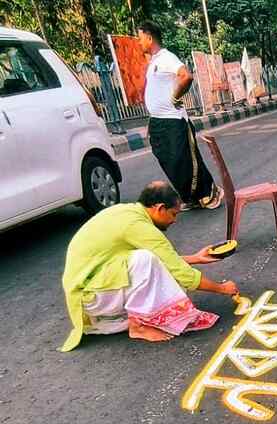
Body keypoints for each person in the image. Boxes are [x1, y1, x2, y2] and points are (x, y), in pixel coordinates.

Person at [60, 181, 240, 351]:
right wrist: (222, 288)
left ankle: (131, 314)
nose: (174, 220)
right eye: (174, 214)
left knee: (151, 264)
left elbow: (166, 261)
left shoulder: (128, 212)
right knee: (145, 260)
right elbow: (183, 274)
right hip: (90, 296)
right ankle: (138, 326)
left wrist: (196, 258)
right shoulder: (138, 225)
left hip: (94, 287)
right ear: (160, 208)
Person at [137, 21, 222, 211]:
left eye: (140, 38)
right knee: (167, 161)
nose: (139, 42)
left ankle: (209, 192)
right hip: (158, 121)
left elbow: (186, 76)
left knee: (182, 160)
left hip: (173, 120)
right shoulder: (153, 62)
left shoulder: (167, 57)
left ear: (149, 38)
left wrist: (176, 96)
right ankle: (189, 197)